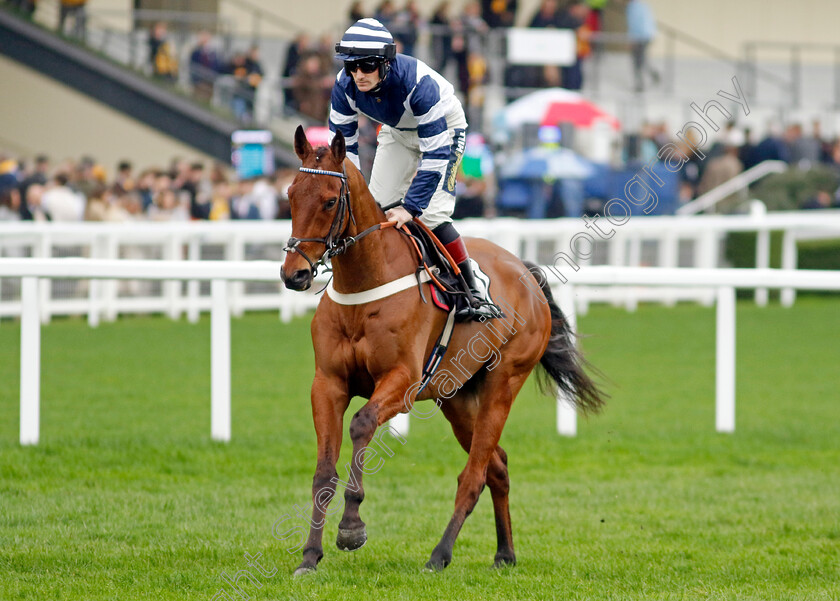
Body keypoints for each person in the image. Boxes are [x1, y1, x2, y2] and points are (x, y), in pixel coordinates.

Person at [328, 18, 498, 318]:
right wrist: (349, 191)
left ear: (385, 63)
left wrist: (411, 208)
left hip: (444, 131)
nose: (358, 74)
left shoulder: (419, 85)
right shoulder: (343, 85)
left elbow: (435, 153)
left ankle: (472, 289)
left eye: (366, 65)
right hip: (396, 131)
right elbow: (344, 148)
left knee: (430, 215)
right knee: (373, 208)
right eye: (351, 66)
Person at [626, 0, 659, 92]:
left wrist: (632, 40)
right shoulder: (641, 5)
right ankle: (653, 75)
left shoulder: (632, 7)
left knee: (637, 61)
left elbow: (634, 24)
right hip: (647, 35)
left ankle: (639, 84)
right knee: (642, 59)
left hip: (640, 37)